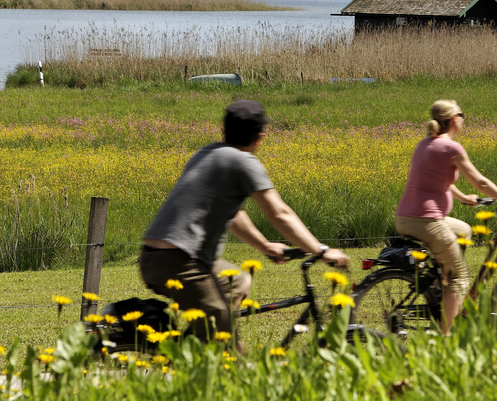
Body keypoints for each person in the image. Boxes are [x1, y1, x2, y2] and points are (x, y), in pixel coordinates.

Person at [140, 99, 349, 340]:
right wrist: (321, 251)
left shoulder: (208, 153)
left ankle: (194, 346)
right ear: (260, 136)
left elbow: (232, 213)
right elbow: (279, 213)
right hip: (180, 262)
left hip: (157, 256)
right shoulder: (243, 161)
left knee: (237, 281)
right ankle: (200, 358)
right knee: (225, 336)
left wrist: (264, 246)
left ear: (224, 130)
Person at [395, 99, 497, 334]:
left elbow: (436, 179)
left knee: (464, 230)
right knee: (460, 278)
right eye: (462, 114)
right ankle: (447, 337)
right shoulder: (451, 148)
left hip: (406, 218)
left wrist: (463, 196)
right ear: (454, 119)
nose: (464, 118)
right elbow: (481, 181)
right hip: (428, 221)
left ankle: (438, 288)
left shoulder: (425, 144)